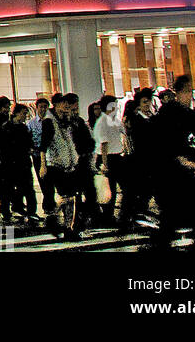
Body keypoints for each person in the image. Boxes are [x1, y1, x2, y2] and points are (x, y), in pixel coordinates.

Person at [148, 75, 195, 251]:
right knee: (183, 208)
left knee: (182, 209)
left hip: (172, 168)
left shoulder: (179, 112)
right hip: (170, 169)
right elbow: (165, 141)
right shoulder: (173, 113)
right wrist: (181, 158)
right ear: (181, 92)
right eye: (188, 91)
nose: (190, 96)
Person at [40, 93, 94, 240]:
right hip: (55, 165)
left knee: (71, 197)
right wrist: (43, 165)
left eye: (67, 106)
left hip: (69, 164)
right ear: (56, 105)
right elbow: (43, 145)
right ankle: (56, 219)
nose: (66, 108)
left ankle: (66, 225)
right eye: (63, 105)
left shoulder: (66, 121)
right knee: (68, 196)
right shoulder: (49, 122)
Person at [119, 88, 157, 229]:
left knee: (147, 189)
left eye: (149, 101)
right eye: (144, 102)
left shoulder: (151, 117)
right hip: (139, 160)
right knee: (134, 190)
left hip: (150, 160)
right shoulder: (136, 120)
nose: (147, 104)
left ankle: (137, 213)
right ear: (139, 104)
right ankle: (128, 217)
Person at [0, 104, 38, 222]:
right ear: (16, 113)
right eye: (23, 113)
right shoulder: (6, 127)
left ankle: (30, 211)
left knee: (28, 188)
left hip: (23, 162)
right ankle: (6, 211)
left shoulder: (23, 128)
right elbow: (2, 146)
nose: (25, 116)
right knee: (7, 189)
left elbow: (28, 143)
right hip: (9, 163)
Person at [92, 95, 126, 225]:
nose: (117, 107)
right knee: (108, 188)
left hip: (117, 156)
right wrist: (105, 164)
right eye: (114, 104)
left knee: (121, 186)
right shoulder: (102, 122)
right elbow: (103, 145)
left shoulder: (115, 120)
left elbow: (124, 132)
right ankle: (107, 216)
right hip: (107, 158)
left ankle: (114, 214)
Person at [28, 97, 55, 215]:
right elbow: (28, 138)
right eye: (41, 107)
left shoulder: (52, 122)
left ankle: (49, 202)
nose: (43, 109)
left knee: (50, 180)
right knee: (43, 180)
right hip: (37, 155)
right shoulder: (32, 123)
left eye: (45, 107)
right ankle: (48, 203)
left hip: (50, 155)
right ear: (37, 108)